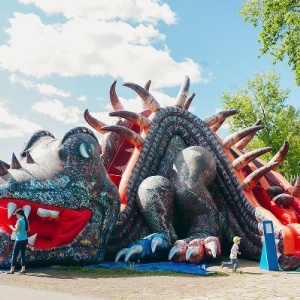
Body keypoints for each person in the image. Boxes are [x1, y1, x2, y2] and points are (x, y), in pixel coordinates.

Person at [7, 208, 30, 274]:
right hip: (25, 238)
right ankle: (23, 269)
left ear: (19, 214)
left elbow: (16, 230)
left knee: (14, 254)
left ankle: (12, 270)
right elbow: (28, 229)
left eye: (16, 214)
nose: (16, 216)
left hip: (19, 239)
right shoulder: (26, 220)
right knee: (23, 254)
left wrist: (11, 227)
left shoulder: (19, 221)